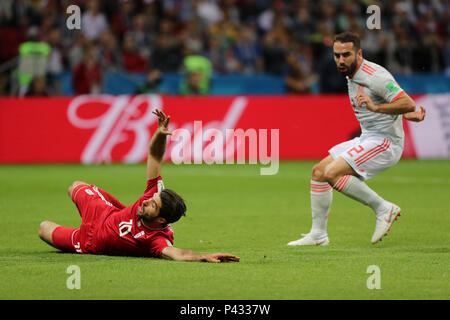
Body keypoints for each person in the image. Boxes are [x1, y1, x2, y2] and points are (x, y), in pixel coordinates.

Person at [39, 109, 240, 263]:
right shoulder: (153, 195)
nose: (147, 201)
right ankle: (114, 209)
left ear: (161, 219)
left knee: (43, 229)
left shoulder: (157, 239)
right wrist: (160, 135)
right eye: (152, 199)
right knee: (74, 186)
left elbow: (177, 253)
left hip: (89, 242)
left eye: (153, 205)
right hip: (103, 213)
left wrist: (202, 256)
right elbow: (154, 156)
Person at [288, 32, 426, 246]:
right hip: (368, 138)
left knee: (331, 173)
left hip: (386, 143)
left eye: (346, 55)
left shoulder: (375, 76)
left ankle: (383, 208)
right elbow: (401, 107)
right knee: (318, 172)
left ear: (359, 53)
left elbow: (407, 102)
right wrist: (406, 115)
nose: (341, 60)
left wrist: (379, 107)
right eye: (337, 55)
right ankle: (318, 235)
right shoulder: (351, 72)